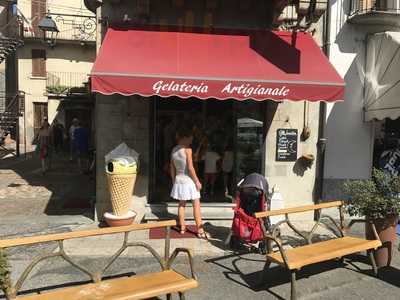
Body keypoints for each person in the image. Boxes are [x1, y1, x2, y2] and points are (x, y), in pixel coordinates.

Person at [170, 126, 210, 239]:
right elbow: (191, 168)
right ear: (185, 138)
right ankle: (200, 229)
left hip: (179, 179)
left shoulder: (174, 150)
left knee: (181, 204)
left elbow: (171, 167)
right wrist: (197, 181)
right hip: (188, 180)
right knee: (196, 204)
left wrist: (174, 181)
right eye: (191, 138)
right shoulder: (188, 150)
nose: (192, 141)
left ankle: (182, 227)